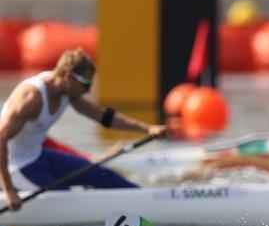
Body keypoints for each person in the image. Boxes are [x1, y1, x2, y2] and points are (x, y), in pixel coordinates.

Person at [0, 48, 166, 212]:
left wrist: (148, 129)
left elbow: (103, 117)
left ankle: (149, 202)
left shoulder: (67, 91)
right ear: (67, 76)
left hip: (39, 156)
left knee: (102, 175)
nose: (88, 90)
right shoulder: (31, 99)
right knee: (65, 199)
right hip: (16, 168)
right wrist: (9, 190)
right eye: (86, 84)